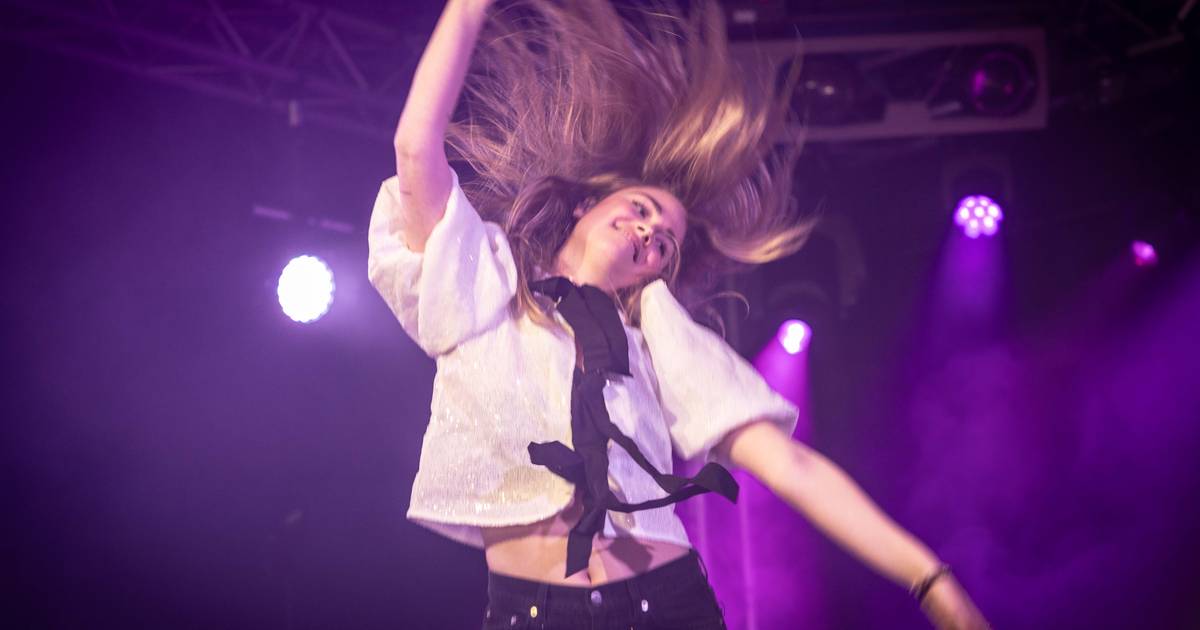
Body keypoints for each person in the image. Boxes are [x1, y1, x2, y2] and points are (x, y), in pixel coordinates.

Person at [368, 0, 990, 628]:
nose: (650, 233)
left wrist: (929, 577)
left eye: (664, 243)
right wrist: (469, 11)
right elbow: (415, 148)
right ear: (587, 205)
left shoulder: (656, 342)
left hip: (666, 606)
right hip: (533, 614)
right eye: (641, 209)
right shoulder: (481, 286)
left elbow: (791, 465)